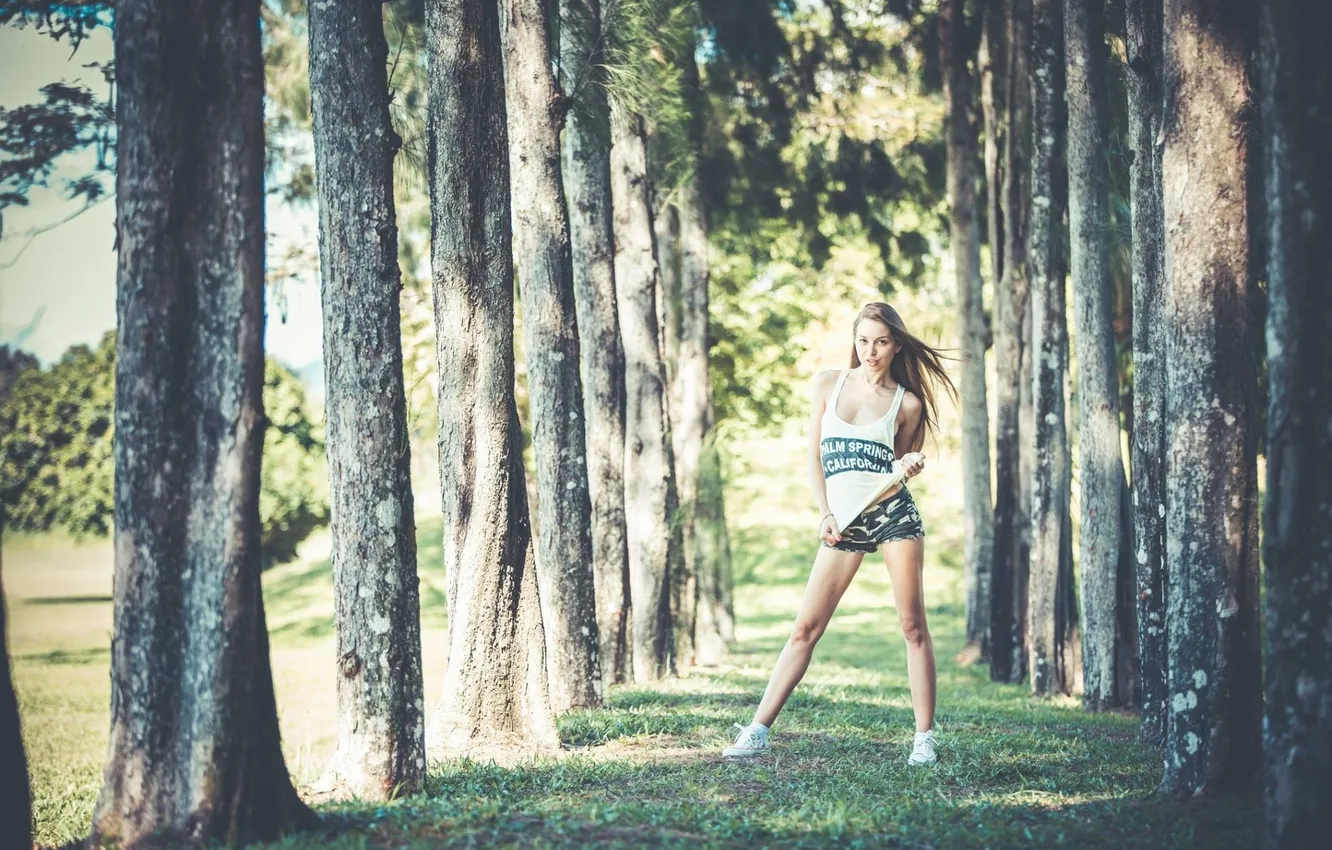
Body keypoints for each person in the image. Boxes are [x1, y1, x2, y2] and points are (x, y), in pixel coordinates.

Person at [723, 302, 956, 766]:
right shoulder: (828, 383)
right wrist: (825, 512)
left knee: (912, 626)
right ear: (855, 340)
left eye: (882, 341)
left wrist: (908, 465)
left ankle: (923, 739)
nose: (871, 350)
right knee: (806, 629)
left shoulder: (905, 403)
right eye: (864, 340)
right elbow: (814, 456)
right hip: (842, 521)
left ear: (896, 345)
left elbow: (900, 466)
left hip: (892, 515)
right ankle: (757, 730)